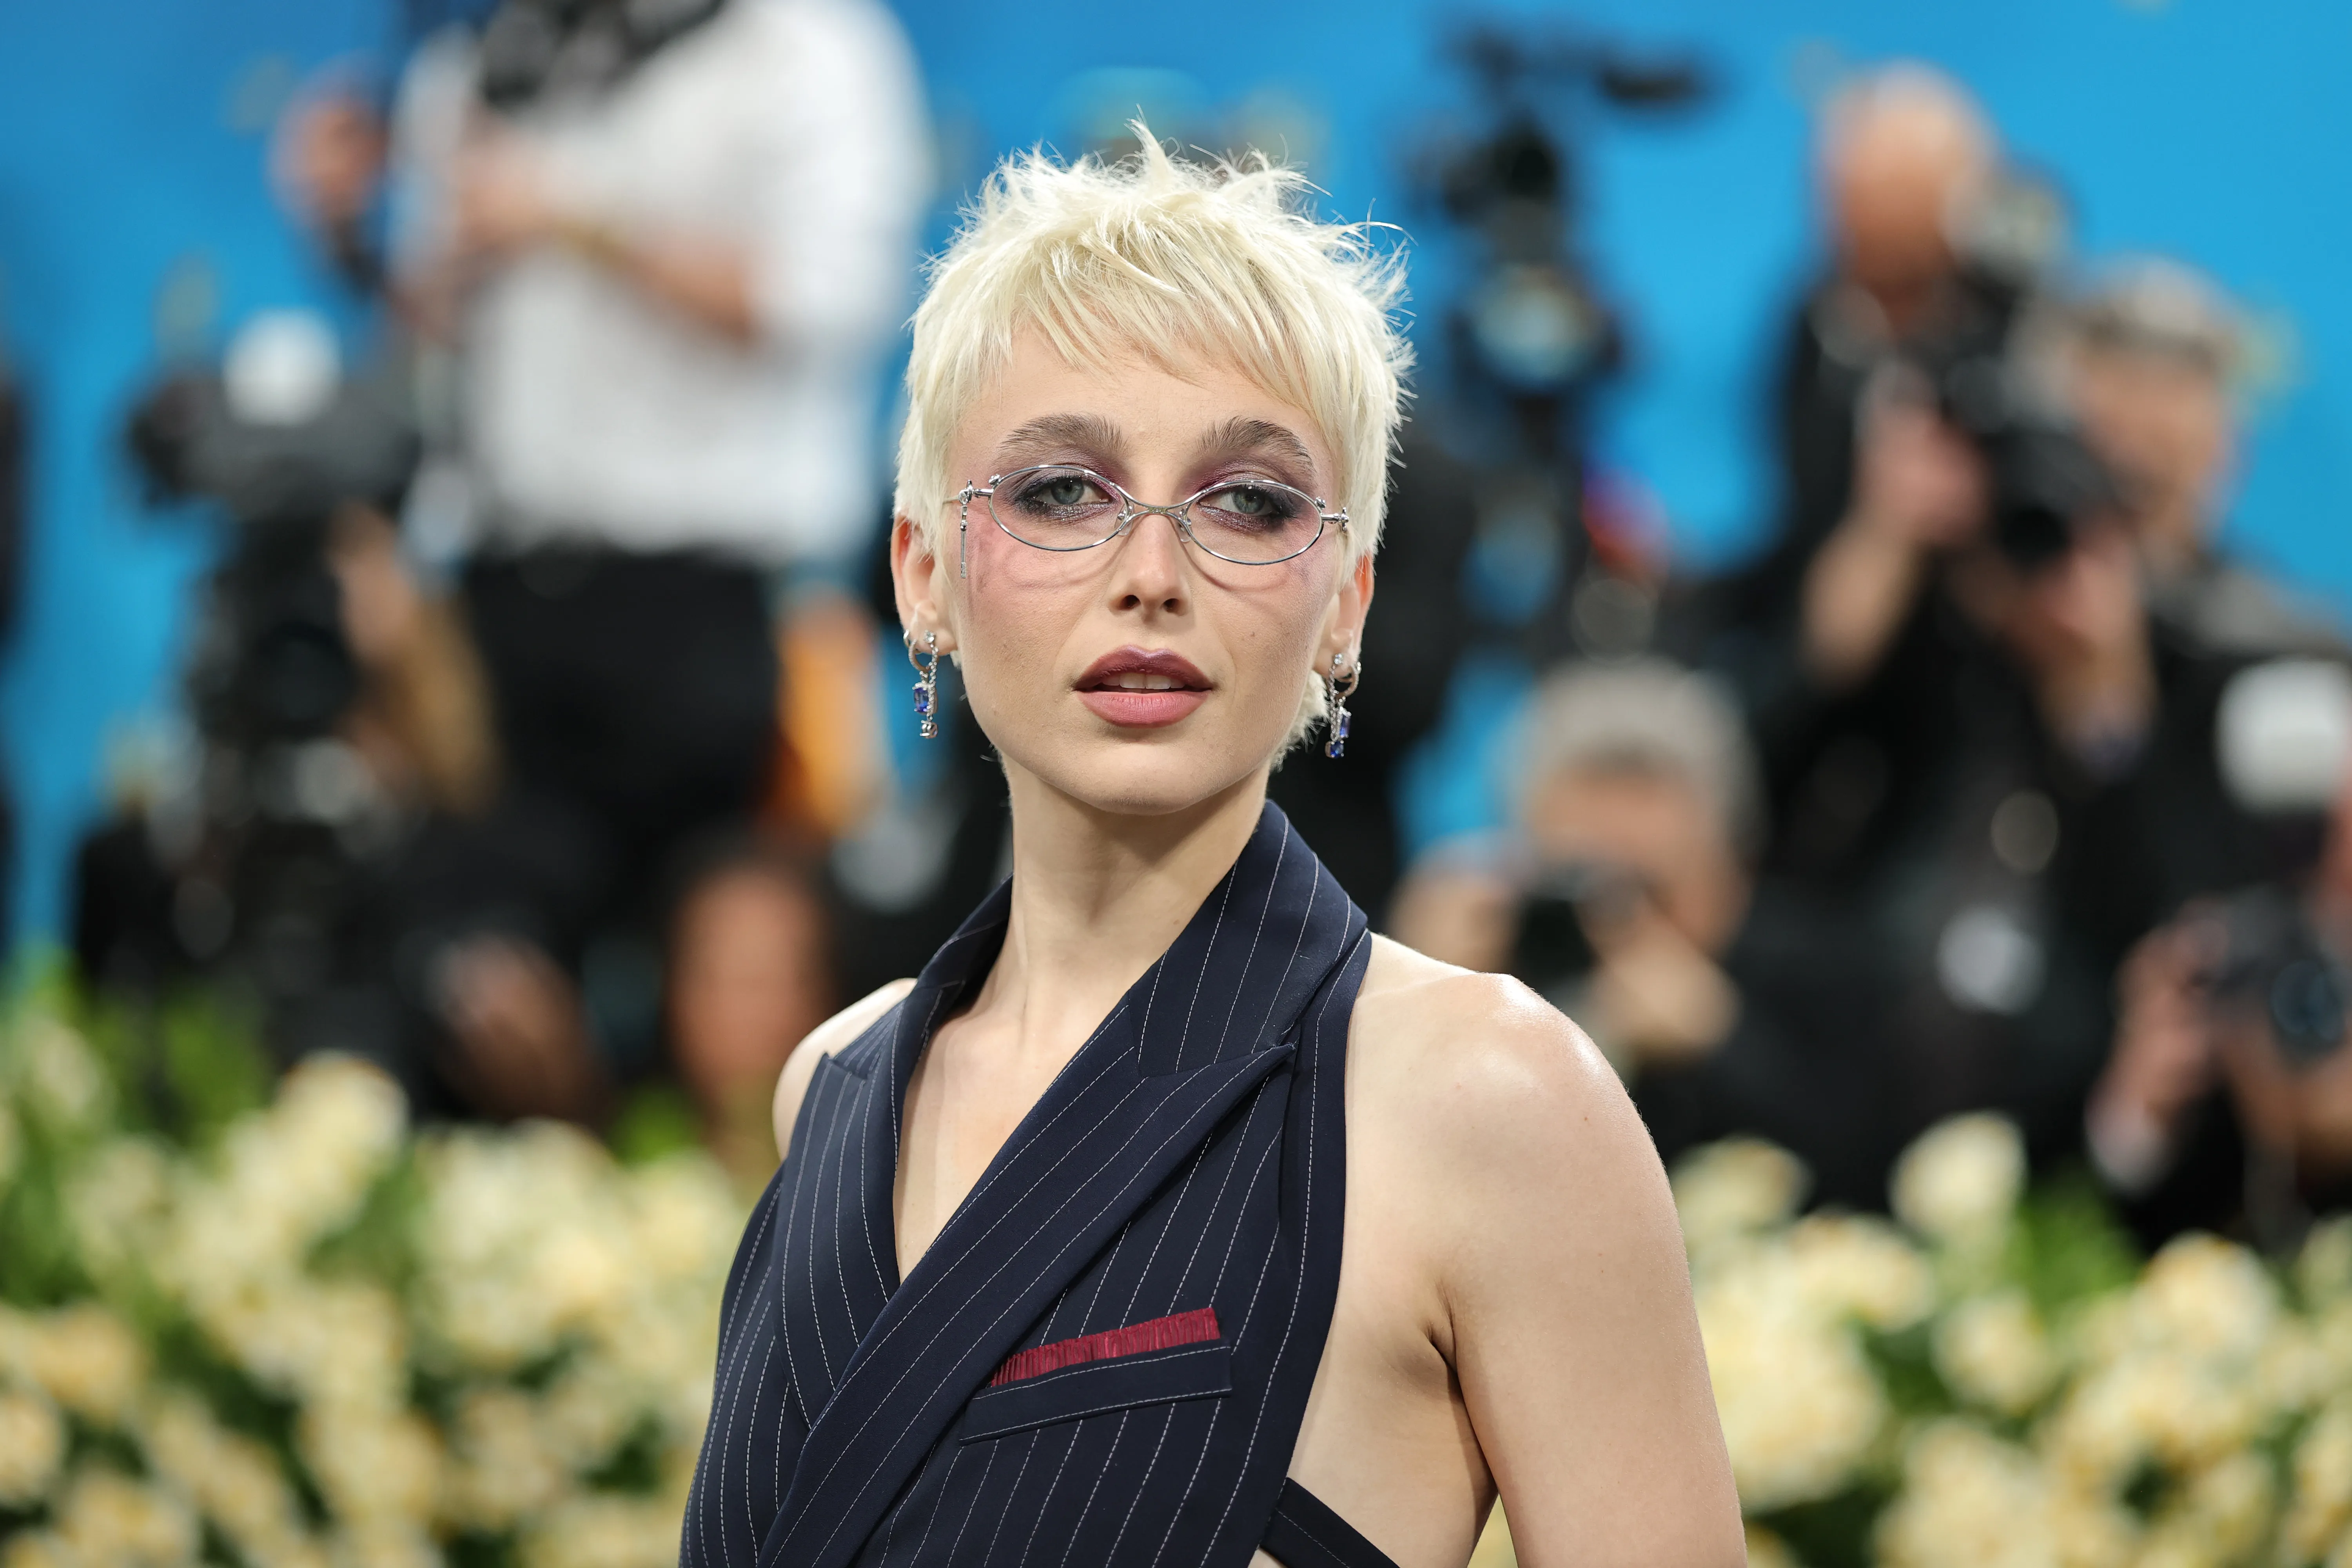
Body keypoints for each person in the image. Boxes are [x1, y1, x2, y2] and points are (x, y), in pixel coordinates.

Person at [679, 135, 1742, 1568]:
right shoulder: (833, 1084)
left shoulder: (1489, 1101)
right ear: (922, 572)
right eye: (1061, 488)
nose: (1150, 570)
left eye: (1248, 500)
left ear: (1347, 601)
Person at [279, 0, 929, 1106]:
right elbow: (456, 336)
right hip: (508, 600)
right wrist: (354, 242)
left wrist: (573, 217)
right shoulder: (483, 55)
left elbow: (829, 293)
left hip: (716, 611)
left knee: (726, 1015)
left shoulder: (805, 45)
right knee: (479, 990)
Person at [2066, 258, 2346, 660]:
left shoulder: (2283, 648)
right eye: (2124, 382)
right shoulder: (1985, 605)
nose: (2142, 409)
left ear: (2227, 446)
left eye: (2172, 390)